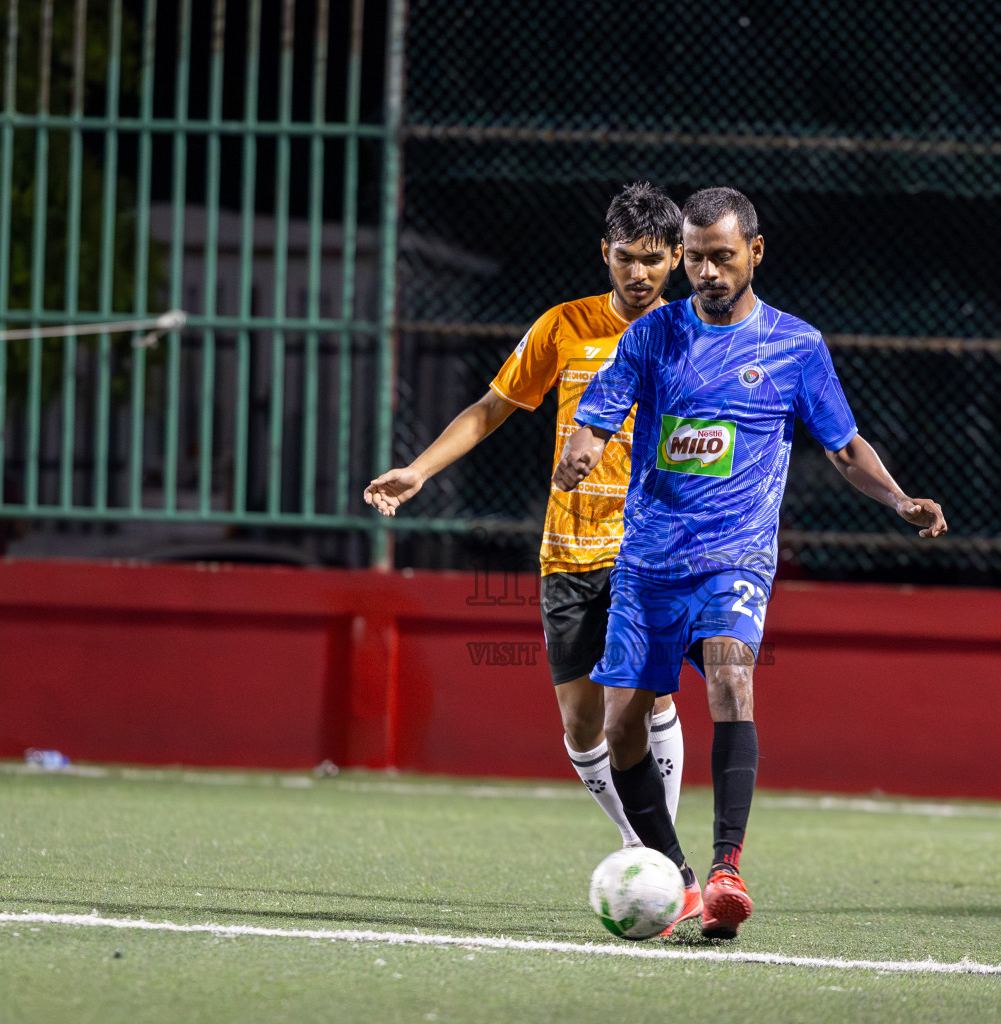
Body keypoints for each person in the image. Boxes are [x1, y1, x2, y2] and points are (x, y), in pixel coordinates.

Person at [553, 187, 946, 939]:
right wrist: (581, 450)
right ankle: (678, 877)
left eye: (721, 257)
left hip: (736, 556)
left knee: (733, 672)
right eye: (695, 258)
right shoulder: (652, 336)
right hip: (649, 560)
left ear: (754, 254)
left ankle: (729, 867)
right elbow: (597, 417)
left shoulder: (797, 347)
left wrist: (898, 499)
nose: (706, 271)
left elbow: (843, 447)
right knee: (620, 723)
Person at [364, 183, 691, 863]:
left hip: (648, 551)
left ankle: (655, 853)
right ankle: (639, 837)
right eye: (627, 257)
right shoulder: (563, 326)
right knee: (580, 724)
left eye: (653, 260)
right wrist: (419, 471)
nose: (639, 274)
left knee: (646, 703)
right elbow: (490, 408)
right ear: (605, 252)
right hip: (567, 550)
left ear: (678, 259)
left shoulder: (691, 336)